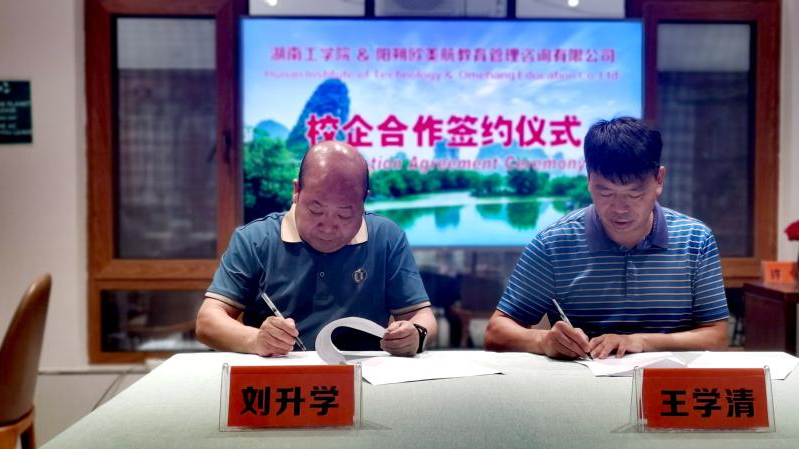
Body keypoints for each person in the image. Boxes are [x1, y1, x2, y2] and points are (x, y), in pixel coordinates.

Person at [484, 117, 729, 359]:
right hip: (583, 381)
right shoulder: (553, 244)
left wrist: (641, 341)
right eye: (606, 193)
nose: (620, 208)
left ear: (659, 180)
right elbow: (496, 332)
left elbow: (716, 337)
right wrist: (543, 340)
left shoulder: (695, 240)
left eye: (634, 194)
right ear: (589, 180)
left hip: (669, 381)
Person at [196, 140, 436, 357]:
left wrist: (416, 335)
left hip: (365, 379)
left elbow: (422, 317)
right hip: (280, 381)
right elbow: (208, 321)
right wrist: (255, 339)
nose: (328, 227)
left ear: (364, 200)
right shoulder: (255, 239)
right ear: (296, 191)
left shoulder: (386, 237)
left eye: (344, 214)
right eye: (316, 210)